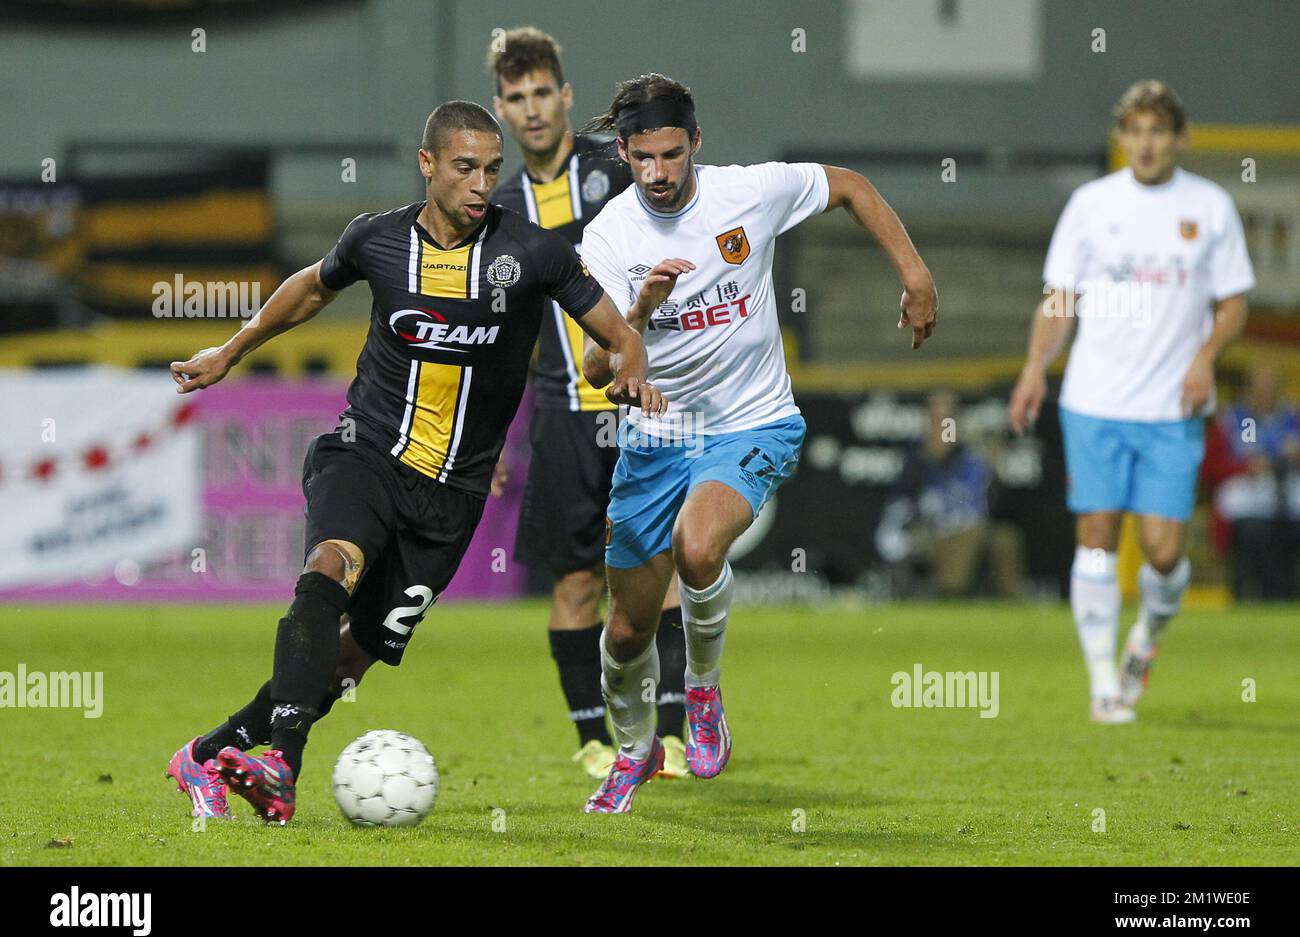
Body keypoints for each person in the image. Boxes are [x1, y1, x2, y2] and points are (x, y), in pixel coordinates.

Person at [163, 100, 663, 823]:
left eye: (492, 169)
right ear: (427, 165)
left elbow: (617, 331)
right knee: (328, 566)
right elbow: (309, 289)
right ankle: (281, 765)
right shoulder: (376, 240)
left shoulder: (535, 253)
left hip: (453, 498)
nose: (480, 183)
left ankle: (203, 759)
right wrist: (230, 351)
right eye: (464, 167)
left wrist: (628, 372)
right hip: (365, 455)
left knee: (349, 660)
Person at [578, 73, 937, 812]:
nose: (658, 173)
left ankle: (702, 693)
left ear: (697, 143)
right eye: (642, 158)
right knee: (623, 632)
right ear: (623, 152)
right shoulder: (610, 236)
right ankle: (632, 752)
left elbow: (852, 187)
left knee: (700, 546)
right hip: (657, 436)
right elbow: (596, 367)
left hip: (752, 420)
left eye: (672, 154)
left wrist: (916, 273)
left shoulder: (749, 193)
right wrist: (642, 309)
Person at [1009, 80, 1255, 723]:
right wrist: (1037, 366)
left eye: (1158, 132)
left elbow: (1233, 304)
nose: (1146, 144)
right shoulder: (1091, 206)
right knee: (1095, 537)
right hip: (1094, 399)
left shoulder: (1211, 207)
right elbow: (1060, 298)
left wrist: (1205, 356)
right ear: (1123, 138)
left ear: (1180, 139)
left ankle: (1143, 642)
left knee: (1164, 552)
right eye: (1135, 131)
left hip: (1172, 408)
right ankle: (1101, 684)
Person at [486, 27, 688, 780]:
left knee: (656, 569)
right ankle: (593, 742)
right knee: (574, 581)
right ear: (502, 110)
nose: (532, 109)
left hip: (643, 406)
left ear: (565, 97)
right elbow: (499, 337)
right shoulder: (498, 208)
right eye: (516, 98)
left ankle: (671, 736)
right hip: (563, 413)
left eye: (543, 93)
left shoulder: (620, 169)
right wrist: (502, 442)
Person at [881, 391, 1024, 598]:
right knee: (967, 535)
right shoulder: (917, 453)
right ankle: (950, 593)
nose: (946, 423)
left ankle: (1012, 601)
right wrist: (948, 438)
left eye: (950, 416)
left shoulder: (968, 452)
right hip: (930, 529)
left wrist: (986, 445)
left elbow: (995, 474)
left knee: (1005, 538)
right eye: (941, 417)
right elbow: (936, 456)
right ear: (929, 418)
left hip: (971, 525)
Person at [1205, 362, 1300, 600]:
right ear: (1249, 390)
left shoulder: (1292, 419)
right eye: (1260, 390)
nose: (1266, 396)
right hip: (1249, 498)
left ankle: (1286, 593)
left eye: (1271, 390)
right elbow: (1211, 465)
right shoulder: (1238, 419)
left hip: (1289, 496)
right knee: (1253, 534)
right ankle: (1248, 593)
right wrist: (1248, 466)